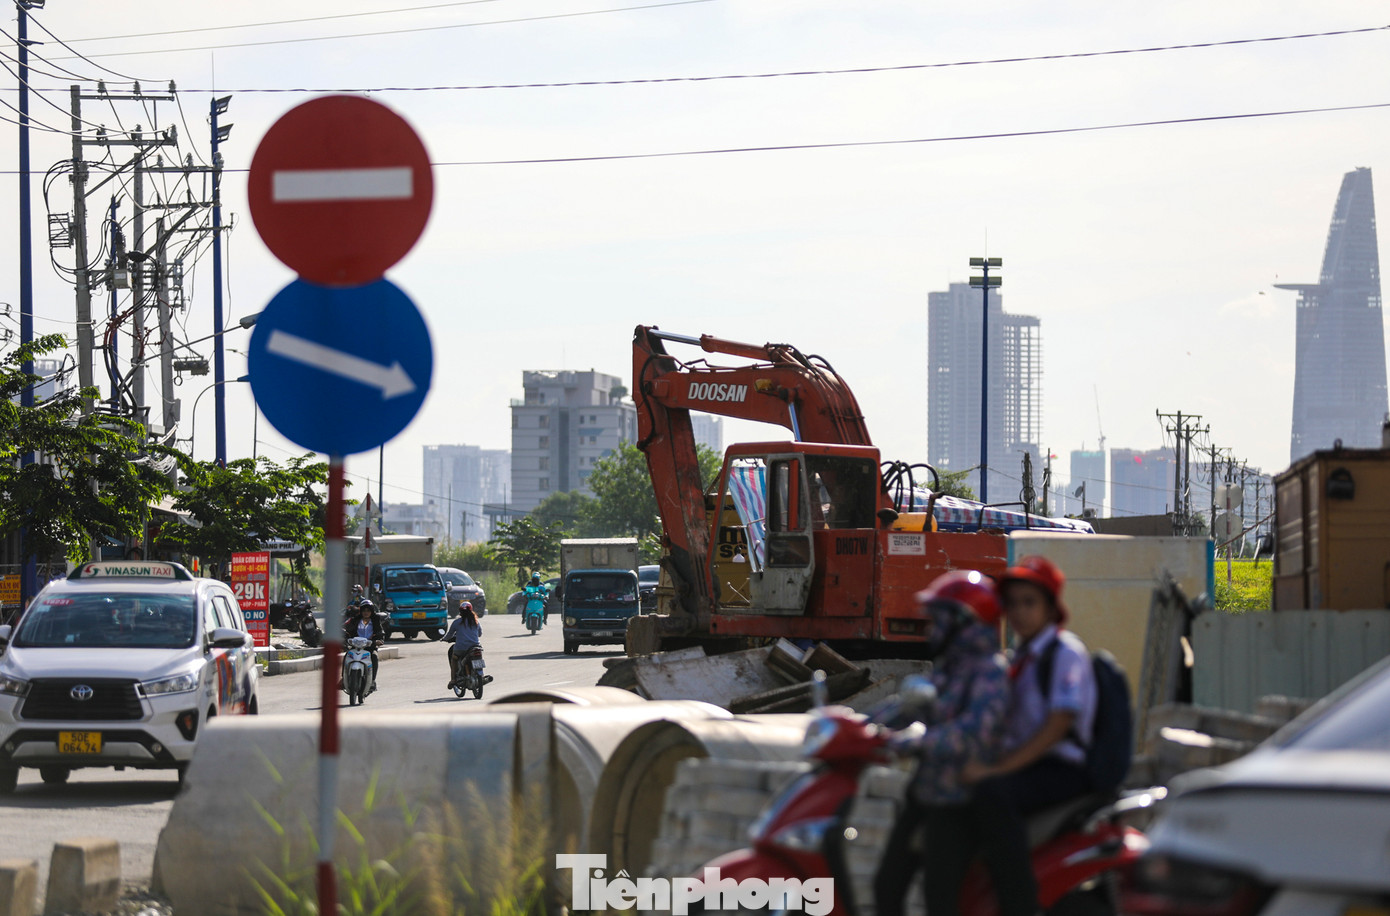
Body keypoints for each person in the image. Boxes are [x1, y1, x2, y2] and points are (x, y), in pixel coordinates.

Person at [960, 555, 1098, 916]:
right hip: (1029, 759)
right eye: (1013, 603)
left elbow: (1057, 726)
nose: (1019, 613)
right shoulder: (1021, 655)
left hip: (1060, 765)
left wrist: (998, 770)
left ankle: (1018, 905)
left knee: (992, 795)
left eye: (1030, 603)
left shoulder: (1065, 654)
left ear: (1051, 609)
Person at [873, 570, 1011, 916]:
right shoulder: (949, 668)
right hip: (926, 791)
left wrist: (917, 741)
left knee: (940, 898)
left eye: (938, 621)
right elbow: (911, 705)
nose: (931, 630)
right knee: (886, 885)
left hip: (960, 802)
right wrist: (862, 724)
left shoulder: (989, 672)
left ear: (963, 623)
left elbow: (972, 732)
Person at [343, 599, 385, 694]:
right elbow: (346, 628)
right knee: (346, 656)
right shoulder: (354, 620)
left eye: (368, 611)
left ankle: (372, 681)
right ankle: (343, 679)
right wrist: (343, 635)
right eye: (364, 611)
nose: (366, 613)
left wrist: (379, 640)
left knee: (374, 656)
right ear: (361, 611)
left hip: (370, 647)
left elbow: (380, 632)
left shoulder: (376, 620)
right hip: (355, 646)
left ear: (372, 611)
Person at [443, 600, 485, 688]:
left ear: (460, 612)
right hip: (476, 646)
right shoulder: (476, 622)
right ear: (471, 610)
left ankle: (453, 679)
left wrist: (444, 639)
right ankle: (481, 675)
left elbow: (449, 634)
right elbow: (480, 634)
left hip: (461, 648)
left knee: (454, 659)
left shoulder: (457, 622)